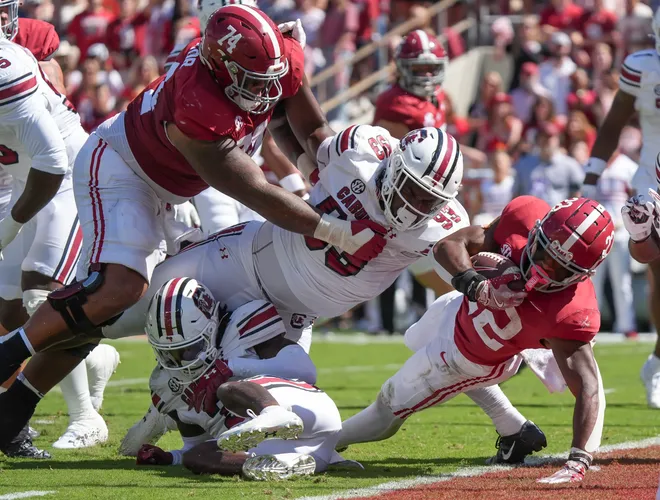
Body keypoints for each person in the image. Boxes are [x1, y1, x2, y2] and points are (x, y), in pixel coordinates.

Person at [0, 6, 388, 451]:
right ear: (218, 67)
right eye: (250, 79)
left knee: (114, 314)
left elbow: (306, 126)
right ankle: (9, 352)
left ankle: (13, 409)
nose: (263, 91)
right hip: (122, 169)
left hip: (174, 184)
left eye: (270, 78)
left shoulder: (280, 58)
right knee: (119, 290)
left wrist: (326, 175)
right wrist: (331, 229)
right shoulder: (196, 100)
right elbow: (255, 190)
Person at [109, 125, 541, 464]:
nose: (413, 204)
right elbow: (304, 134)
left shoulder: (441, 223)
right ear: (394, 164)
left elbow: (455, 249)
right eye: (410, 187)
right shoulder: (360, 150)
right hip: (243, 260)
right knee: (116, 311)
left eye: (428, 199)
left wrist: (484, 283)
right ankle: (58, 352)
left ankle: (171, 407)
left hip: (292, 315)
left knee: (277, 409)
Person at [337, 196, 614, 484]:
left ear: (585, 275)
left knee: (392, 400)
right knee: (413, 338)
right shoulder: (522, 216)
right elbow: (449, 246)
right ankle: (516, 431)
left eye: (559, 269)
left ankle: (323, 443)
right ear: (537, 228)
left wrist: (579, 459)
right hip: (458, 308)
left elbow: (589, 387)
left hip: (473, 357)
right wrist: (476, 284)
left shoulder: (573, 310)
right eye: (543, 251)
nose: (541, 269)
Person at [129, 279, 345, 479]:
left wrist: (230, 368)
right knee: (196, 457)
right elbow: (194, 444)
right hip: (297, 446)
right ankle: (279, 465)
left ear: (211, 326)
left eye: (189, 349)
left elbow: (305, 371)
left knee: (228, 389)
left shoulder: (241, 325)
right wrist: (171, 458)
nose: (180, 361)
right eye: (169, 353)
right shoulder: (166, 387)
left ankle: (272, 414)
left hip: (302, 412)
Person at [582, 6, 660, 408]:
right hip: (653, 180)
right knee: (657, 262)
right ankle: (643, 236)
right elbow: (613, 124)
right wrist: (590, 179)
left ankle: (657, 358)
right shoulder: (644, 68)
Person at [372, 29, 451, 296]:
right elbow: (390, 155)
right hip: (408, 197)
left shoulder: (438, 98)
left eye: (432, 68)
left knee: (443, 270)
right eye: (420, 68)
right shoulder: (395, 103)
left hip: (433, 193)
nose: (427, 75)